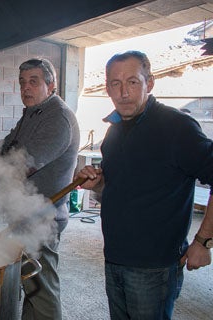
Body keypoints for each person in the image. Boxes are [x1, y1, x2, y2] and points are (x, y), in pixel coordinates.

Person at [75, 50, 213, 320]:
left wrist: (203, 241)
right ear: (107, 88)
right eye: (115, 83)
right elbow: (117, 190)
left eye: (132, 82)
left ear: (149, 83)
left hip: (154, 266)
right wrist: (97, 184)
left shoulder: (176, 126)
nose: (123, 92)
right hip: (114, 257)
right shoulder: (113, 132)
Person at [1, 58, 80, 320]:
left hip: (43, 218)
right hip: (25, 214)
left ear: (51, 84)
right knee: (30, 285)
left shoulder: (58, 118)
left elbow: (22, 165)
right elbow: (3, 148)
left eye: (34, 82)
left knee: (42, 290)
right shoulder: (32, 114)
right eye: (22, 82)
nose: (26, 88)